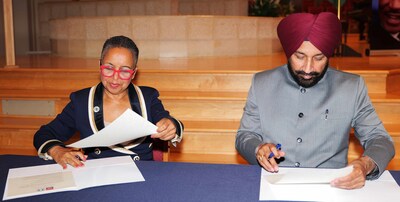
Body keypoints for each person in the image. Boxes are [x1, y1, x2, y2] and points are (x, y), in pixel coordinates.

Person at [235, 12, 395, 190]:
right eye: (299, 56)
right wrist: (259, 149)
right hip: (274, 184)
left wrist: (365, 165)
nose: (308, 68)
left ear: (329, 55)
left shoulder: (351, 87)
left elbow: (380, 139)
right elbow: (245, 136)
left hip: (332, 187)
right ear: (288, 53)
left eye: (319, 58)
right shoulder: (262, 83)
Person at [34, 35, 184, 169]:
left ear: (134, 73)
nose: (115, 78)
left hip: (143, 175)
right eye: (109, 68)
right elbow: (44, 134)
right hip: (97, 176)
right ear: (99, 65)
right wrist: (57, 150)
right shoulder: (82, 101)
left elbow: (168, 122)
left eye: (125, 71)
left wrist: (171, 126)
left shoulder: (147, 97)